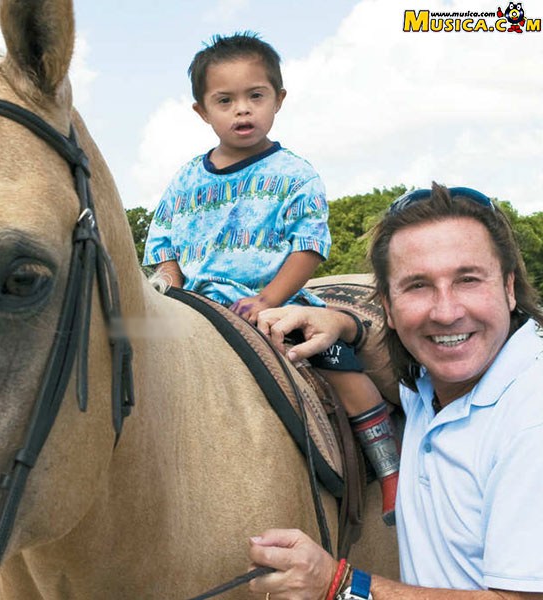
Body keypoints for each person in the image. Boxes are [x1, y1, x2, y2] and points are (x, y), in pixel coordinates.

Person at [142, 32, 400, 524]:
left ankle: (389, 470)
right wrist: (172, 295)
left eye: (255, 96)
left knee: (338, 365)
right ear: (202, 112)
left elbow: (308, 248)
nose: (242, 111)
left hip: (276, 303)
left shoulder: (294, 174)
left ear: (278, 100)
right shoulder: (185, 181)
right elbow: (165, 247)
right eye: (225, 100)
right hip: (201, 308)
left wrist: (269, 298)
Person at [249, 183, 543, 599]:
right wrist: (343, 324)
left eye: (468, 279)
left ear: (509, 288)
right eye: (418, 286)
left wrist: (340, 585)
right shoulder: (427, 386)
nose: (446, 312)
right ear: (387, 305)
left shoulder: (532, 417)